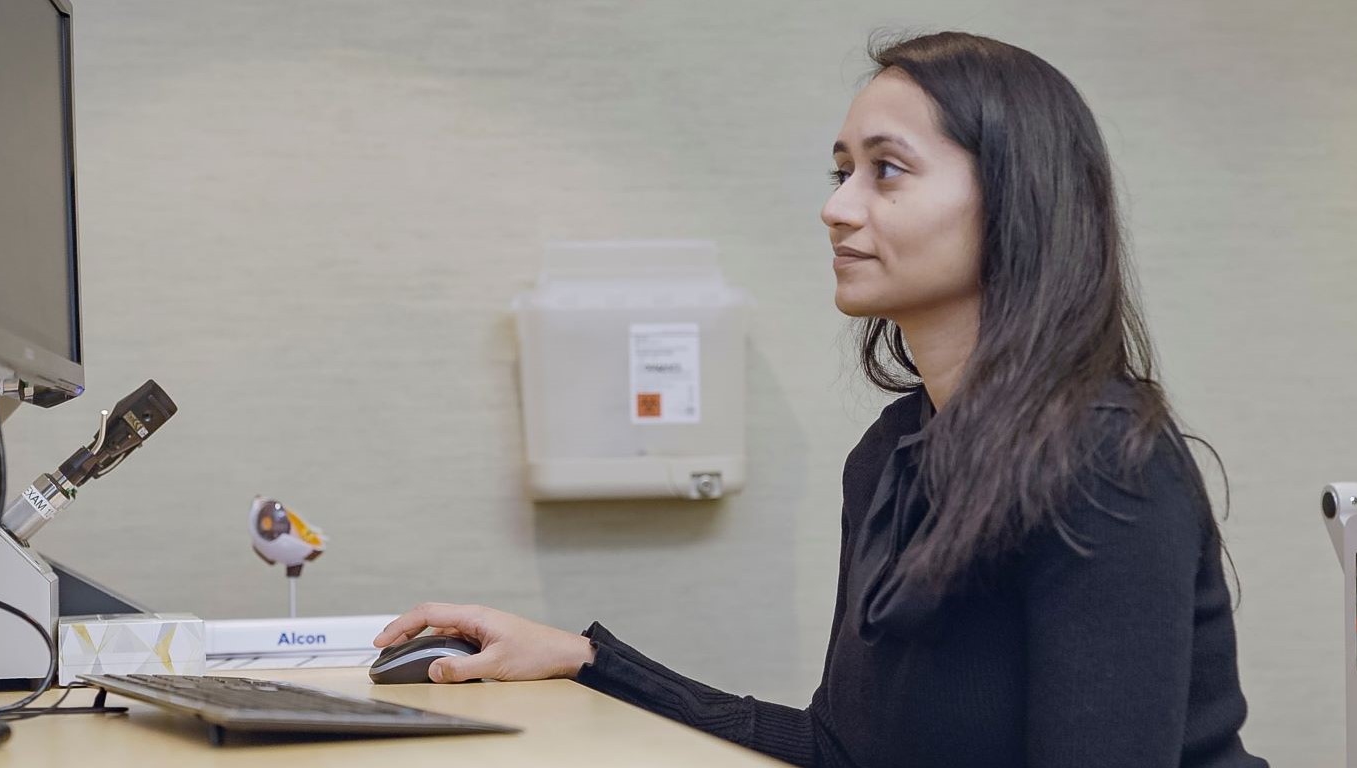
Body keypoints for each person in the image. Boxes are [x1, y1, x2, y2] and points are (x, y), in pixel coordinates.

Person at [373, 31, 1268, 768]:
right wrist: (589, 661)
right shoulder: (891, 458)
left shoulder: (1107, 464)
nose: (837, 208)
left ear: (1014, 201)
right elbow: (842, 750)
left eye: (887, 170)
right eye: (841, 169)